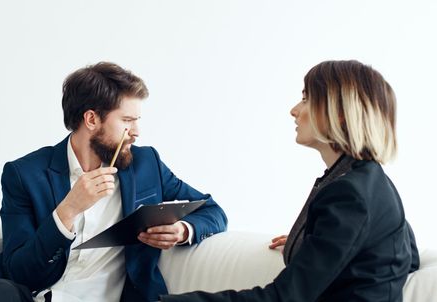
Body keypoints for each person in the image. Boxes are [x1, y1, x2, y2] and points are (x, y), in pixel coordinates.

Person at [0, 62, 228, 302]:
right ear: (91, 119)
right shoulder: (24, 174)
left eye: (137, 121)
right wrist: (67, 211)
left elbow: (212, 210)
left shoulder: (146, 165)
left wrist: (184, 230)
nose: (136, 132)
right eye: (127, 121)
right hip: (38, 296)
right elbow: (20, 270)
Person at [160, 60, 419, 302]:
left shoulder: (350, 194)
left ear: (339, 113)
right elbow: (407, 256)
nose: (294, 110)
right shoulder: (369, 180)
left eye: (306, 99)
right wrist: (316, 242)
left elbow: (285, 298)